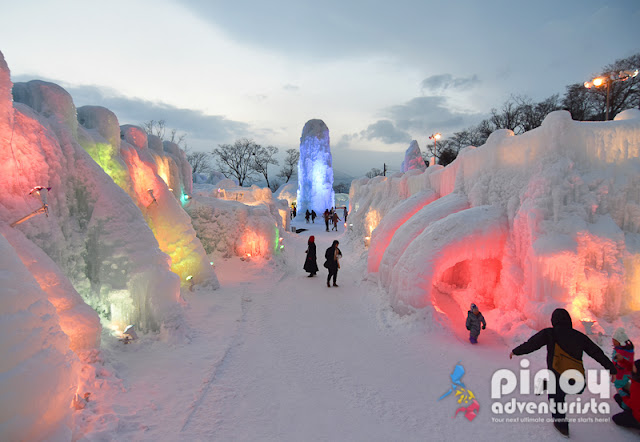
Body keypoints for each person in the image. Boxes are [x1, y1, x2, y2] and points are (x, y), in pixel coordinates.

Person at [510, 308, 617, 438]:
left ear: (554, 320)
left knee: (556, 397)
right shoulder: (579, 336)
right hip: (576, 379)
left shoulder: (550, 333)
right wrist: (611, 368)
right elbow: (597, 353)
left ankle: (561, 425)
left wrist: (516, 351)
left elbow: (532, 344)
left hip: (558, 376)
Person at [612, 360, 640, 430]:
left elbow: (632, 404)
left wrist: (623, 397)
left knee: (616, 418)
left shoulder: (637, 386)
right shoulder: (636, 382)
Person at [612, 327, 635, 406]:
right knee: (626, 386)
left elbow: (623, 363)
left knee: (620, 387)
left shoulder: (623, 352)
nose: (613, 342)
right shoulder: (624, 349)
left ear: (620, 342)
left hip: (621, 375)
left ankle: (626, 404)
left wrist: (617, 364)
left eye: (615, 340)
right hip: (624, 374)